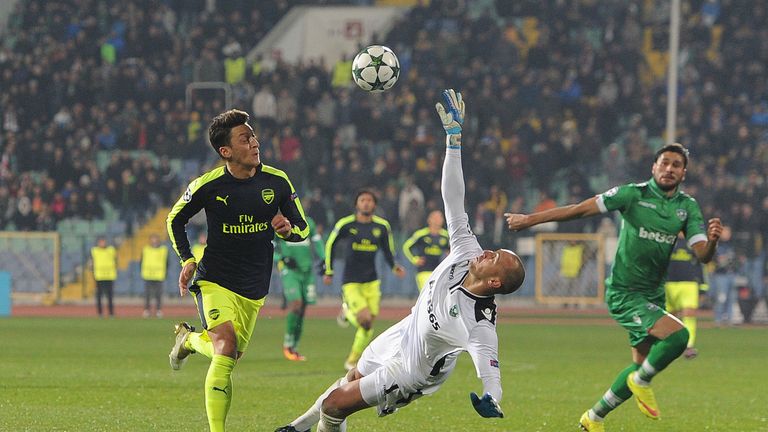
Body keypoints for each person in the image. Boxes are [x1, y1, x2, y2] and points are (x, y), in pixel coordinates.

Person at [275, 89, 525, 432]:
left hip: (414, 370)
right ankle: (296, 427)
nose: (486, 251)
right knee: (351, 377)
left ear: (494, 282)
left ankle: (306, 427)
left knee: (335, 408)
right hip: (405, 331)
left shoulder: (478, 322)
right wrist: (454, 141)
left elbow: (489, 367)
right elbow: (453, 198)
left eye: (494, 257)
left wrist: (491, 397)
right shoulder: (467, 249)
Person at [505, 142, 722, 431]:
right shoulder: (631, 194)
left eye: (676, 165)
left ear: (684, 173)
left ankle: (593, 418)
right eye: (665, 163)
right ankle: (640, 382)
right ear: (653, 167)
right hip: (624, 292)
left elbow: (701, 253)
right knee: (679, 337)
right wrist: (530, 219)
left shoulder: (687, 207)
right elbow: (579, 210)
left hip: (653, 295)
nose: (669, 169)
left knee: (640, 364)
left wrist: (713, 241)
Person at [166, 109, 309, 432]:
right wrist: (187, 259)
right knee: (225, 348)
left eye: (254, 136)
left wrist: (288, 231)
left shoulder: (277, 181)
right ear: (226, 151)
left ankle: (189, 340)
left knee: (229, 355)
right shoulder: (209, 185)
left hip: (254, 286)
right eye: (246, 139)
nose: (255, 142)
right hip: (215, 278)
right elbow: (175, 218)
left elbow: (302, 227)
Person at [323, 189, 406, 371]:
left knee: (368, 326)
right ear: (357, 204)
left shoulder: (382, 227)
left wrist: (394, 266)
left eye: (369, 200)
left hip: (372, 281)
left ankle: (352, 361)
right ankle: (347, 311)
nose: (366, 203)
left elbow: (387, 249)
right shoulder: (346, 224)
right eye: (362, 200)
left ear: (374, 205)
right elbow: (331, 244)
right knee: (365, 320)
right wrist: (328, 270)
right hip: (351, 280)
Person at [274, 214, 325, 361]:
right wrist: (281, 258)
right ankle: (288, 345)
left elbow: (317, 241)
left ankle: (294, 347)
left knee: (302, 309)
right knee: (296, 304)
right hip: (289, 270)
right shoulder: (278, 222)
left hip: (307, 271)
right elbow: (268, 247)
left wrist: (323, 259)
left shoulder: (308, 222)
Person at [664, 234, 704, 359]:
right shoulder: (666, 240)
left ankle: (689, 345)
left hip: (689, 283)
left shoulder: (693, 242)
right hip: (669, 283)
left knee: (689, 313)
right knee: (671, 315)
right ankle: (672, 345)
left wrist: (702, 286)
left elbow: (700, 263)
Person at [402, 210, 450, 291]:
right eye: (435, 217)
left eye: (440, 217)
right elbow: (406, 247)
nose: (437, 220)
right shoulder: (421, 234)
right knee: (428, 295)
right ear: (429, 220)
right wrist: (414, 259)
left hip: (440, 272)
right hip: (424, 271)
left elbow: (451, 251)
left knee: (439, 297)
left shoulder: (446, 236)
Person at [141, 233, 168, 319]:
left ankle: (158, 310)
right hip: (147, 275)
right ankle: (147, 310)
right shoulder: (146, 249)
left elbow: (167, 263)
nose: (154, 241)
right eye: (152, 239)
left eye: (155, 239)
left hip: (159, 275)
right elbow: (141, 262)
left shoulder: (163, 250)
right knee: (147, 295)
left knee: (158, 295)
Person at [91, 235, 117, 318]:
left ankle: (111, 313)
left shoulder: (111, 250)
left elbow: (116, 260)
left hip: (109, 276)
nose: (102, 243)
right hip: (99, 276)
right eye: (101, 242)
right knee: (99, 296)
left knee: (110, 296)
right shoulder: (94, 251)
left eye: (103, 241)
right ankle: (100, 313)